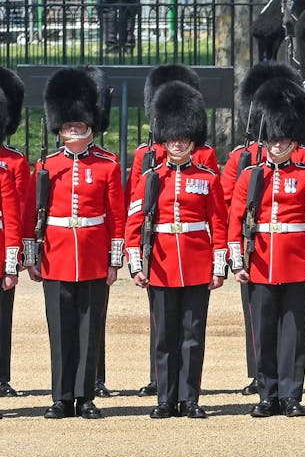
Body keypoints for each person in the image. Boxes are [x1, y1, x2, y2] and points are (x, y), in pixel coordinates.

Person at [125, 81, 228, 419]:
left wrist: (218, 266)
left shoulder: (208, 177)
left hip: (197, 263)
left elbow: (219, 224)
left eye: (183, 139)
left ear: (191, 140)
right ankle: (165, 399)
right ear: (164, 140)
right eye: (172, 139)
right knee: (165, 337)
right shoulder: (151, 177)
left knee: (192, 335)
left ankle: (189, 398)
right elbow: (134, 223)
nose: (178, 144)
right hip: (162, 264)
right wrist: (136, 265)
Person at [227, 75, 305, 418]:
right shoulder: (250, 175)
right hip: (260, 261)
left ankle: (291, 394)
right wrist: (238, 261)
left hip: (296, 261)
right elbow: (236, 222)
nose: (279, 144)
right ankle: (266, 393)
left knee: (294, 332)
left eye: (284, 138)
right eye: (273, 138)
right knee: (264, 330)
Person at [29, 68, 122, 420]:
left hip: (94, 254)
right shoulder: (47, 165)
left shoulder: (107, 166)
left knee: (88, 328)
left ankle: (84, 396)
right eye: (68, 126)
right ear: (60, 128)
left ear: (89, 127)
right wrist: (32, 256)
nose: (73, 130)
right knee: (61, 329)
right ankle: (60, 396)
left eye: (78, 125)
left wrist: (114, 260)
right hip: (56, 255)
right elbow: (32, 216)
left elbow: (116, 217)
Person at [0, 68, 28, 398]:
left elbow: (17, 210)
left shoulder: (14, 162)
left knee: (2, 319)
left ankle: (1, 375)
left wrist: (16, 255)